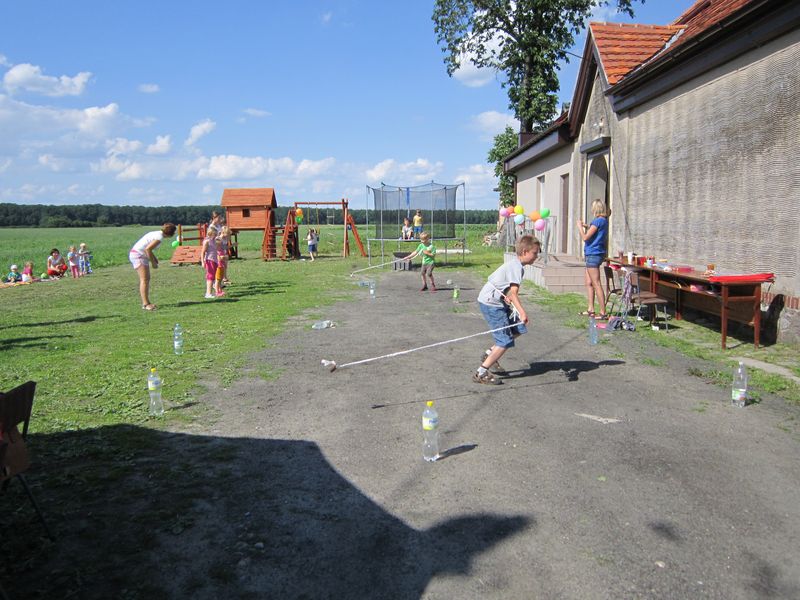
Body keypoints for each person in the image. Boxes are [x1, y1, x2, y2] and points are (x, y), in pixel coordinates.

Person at [473, 235, 540, 385]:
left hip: (497, 300)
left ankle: (490, 354)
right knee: (504, 341)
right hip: (491, 303)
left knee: (518, 328)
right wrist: (522, 312)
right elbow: (514, 293)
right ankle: (481, 372)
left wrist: (506, 296)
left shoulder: (517, 266)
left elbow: (507, 289)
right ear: (524, 252)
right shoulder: (516, 267)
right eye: (535, 253)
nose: (537, 256)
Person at [129, 223, 176, 310]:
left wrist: (154, 258)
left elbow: (147, 247)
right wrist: (153, 263)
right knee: (145, 280)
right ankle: (146, 304)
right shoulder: (159, 237)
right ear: (171, 233)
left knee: (145, 279)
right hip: (138, 255)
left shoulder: (155, 233)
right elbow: (148, 249)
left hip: (136, 254)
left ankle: (146, 303)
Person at [577, 199, 609, 319]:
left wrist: (580, 227)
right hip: (596, 253)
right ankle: (591, 309)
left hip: (593, 254)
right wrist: (586, 225)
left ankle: (603, 312)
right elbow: (594, 229)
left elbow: (585, 237)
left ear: (595, 209)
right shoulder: (603, 221)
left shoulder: (597, 221)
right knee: (589, 282)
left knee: (596, 283)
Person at [201, 225, 223, 299]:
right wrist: (203, 262)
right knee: (210, 277)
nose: (216, 235)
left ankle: (210, 292)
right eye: (215, 234)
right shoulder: (206, 241)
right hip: (209, 260)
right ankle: (208, 293)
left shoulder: (214, 240)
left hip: (215, 261)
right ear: (210, 233)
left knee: (213, 277)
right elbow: (203, 252)